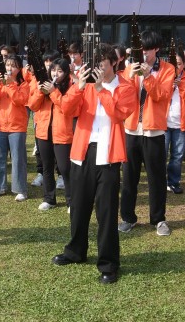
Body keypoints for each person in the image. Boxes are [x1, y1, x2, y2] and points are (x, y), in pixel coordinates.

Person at [51, 44, 137, 284]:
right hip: (83, 150)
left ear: (114, 64)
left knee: (106, 211)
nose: (98, 70)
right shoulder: (85, 85)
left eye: (103, 65)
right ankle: (75, 251)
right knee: (78, 206)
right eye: (95, 65)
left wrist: (101, 90)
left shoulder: (126, 87)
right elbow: (67, 109)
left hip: (108, 155)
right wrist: (79, 87)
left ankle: (108, 263)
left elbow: (119, 115)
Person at [119, 32, 174, 235]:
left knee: (157, 178)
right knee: (129, 177)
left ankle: (158, 219)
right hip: (131, 129)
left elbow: (162, 95)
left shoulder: (167, 69)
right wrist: (130, 75)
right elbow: (122, 94)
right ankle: (128, 217)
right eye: (140, 49)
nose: (143, 53)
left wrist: (148, 76)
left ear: (156, 49)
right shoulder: (128, 69)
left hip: (154, 131)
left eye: (147, 49)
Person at [29, 57, 77, 210]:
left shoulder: (70, 86)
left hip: (62, 132)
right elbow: (33, 106)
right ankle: (49, 198)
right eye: (53, 70)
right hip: (44, 131)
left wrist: (53, 92)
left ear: (66, 72)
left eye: (60, 70)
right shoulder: (44, 83)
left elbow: (67, 107)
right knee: (46, 167)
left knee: (65, 168)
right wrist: (39, 91)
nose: (56, 73)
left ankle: (71, 201)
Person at [0, 54, 31, 201]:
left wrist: (10, 84)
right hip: (0, 125)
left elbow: (20, 100)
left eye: (13, 66)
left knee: (18, 159)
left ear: (19, 68)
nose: (10, 68)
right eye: (7, 65)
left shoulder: (23, 84)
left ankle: (20, 189)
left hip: (17, 127)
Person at [165, 53, 185, 195]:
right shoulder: (164, 76)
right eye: (173, 62)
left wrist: (181, 85)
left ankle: (173, 182)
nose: (176, 66)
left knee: (177, 156)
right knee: (161, 154)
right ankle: (160, 182)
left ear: (183, 64)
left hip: (181, 123)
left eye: (178, 63)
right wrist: (170, 86)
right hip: (163, 123)